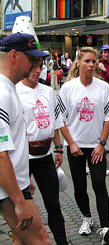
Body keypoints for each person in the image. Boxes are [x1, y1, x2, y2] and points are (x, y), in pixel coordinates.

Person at [58, 47, 109, 244]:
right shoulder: (68, 88)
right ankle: (86, 218)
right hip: (75, 147)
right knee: (79, 187)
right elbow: (60, 119)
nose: (91, 65)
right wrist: (71, 143)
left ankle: (105, 228)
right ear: (78, 63)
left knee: (99, 185)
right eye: (87, 61)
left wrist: (102, 143)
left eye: (94, 61)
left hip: (96, 146)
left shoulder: (104, 88)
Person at [0, 32, 52, 245]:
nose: (36, 64)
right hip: (7, 189)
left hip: (13, 183)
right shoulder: (2, 92)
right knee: (41, 240)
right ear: (13, 55)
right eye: (32, 58)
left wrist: (22, 175)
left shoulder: (8, 88)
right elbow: (0, 153)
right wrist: (19, 200)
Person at [16, 57, 69, 245]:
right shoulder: (14, 91)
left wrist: (59, 147)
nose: (38, 71)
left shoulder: (47, 90)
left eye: (40, 66)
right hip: (23, 157)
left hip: (45, 156)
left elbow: (56, 121)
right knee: (20, 206)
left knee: (53, 203)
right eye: (33, 67)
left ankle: (61, 240)